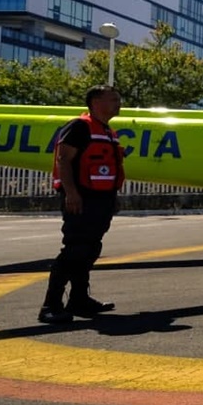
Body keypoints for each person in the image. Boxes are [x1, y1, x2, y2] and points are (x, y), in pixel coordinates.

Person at [39, 85, 125, 324]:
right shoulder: (79, 126)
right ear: (96, 102)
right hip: (82, 198)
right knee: (74, 250)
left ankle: (79, 299)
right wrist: (71, 194)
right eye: (113, 99)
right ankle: (50, 305)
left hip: (102, 200)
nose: (118, 104)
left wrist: (113, 197)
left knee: (89, 249)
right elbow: (63, 160)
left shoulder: (107, 131)